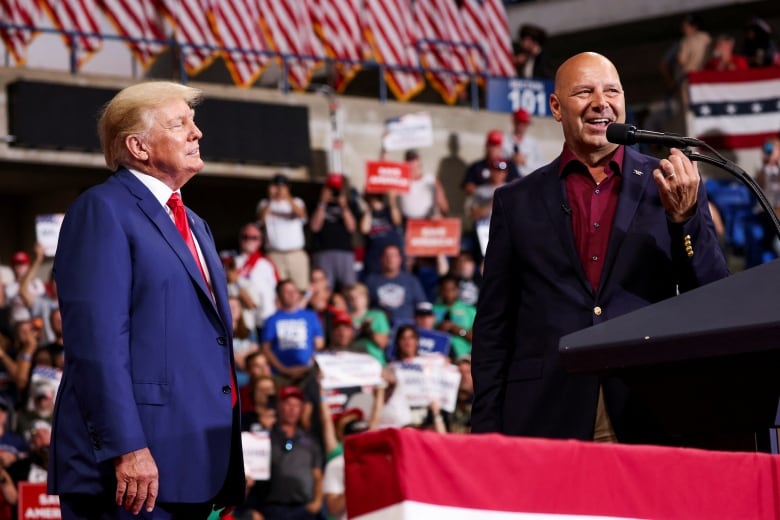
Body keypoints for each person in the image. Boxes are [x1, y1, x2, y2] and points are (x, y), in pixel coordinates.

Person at [471, 52, 729, 444]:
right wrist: (485, 435)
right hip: (545, 415)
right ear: (556, 107)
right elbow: (493, 328)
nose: (600, 102)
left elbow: (711, 296)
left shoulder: (670, 185)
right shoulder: (515, 201)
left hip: (647, 410)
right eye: (584, 91)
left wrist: (685, 219)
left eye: (612, 91)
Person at [48, 81, 245, 518]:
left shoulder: (195, 223)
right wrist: (126, 448)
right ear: (138, 146)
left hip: (195, 462)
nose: (197, 133)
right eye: (180, 124)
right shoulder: (102, 210)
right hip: (133, 469)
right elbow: (96, 344)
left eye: (193, 122)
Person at [257, 173, 310, 292]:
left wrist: (287, 197)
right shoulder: (265, 204)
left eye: (283, 186)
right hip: (275, 254)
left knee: (301, 288)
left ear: (288, 187)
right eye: (277, 186)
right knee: (278, 290)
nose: (280, 189)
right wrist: (271, 199)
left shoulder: (297, 201)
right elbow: (260, 221)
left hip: (295, 253)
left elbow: (302, 215)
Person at [310, 173, 359, 291]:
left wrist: (344, 206)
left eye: (337, 189)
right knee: (324, 288)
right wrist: (322, 203)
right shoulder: (317, 203)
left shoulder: (351, 204)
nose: (334, 192)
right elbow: (314, 227)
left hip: (344, 251)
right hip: (323, 251)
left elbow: (352, 227)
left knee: (349, 288)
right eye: (331, 189)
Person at [364, 244, 428, 326]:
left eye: (394, 256)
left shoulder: (411, 281)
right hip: (380, 327)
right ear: (381, 259)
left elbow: (422, 305)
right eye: (387, 256)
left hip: (406, 328)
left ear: (400, 259)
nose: (390, 259)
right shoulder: (371, 281)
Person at [234, 223, 278, 336]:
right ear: (239, 239)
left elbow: (276, 289)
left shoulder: (267, 263)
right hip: (243, 320)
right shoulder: (230, 262)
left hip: (264, 317)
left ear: (260, 241)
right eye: (245, 237)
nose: (249, 240)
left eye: (254, 238)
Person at [398, 150, 449, 220]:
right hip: (407, 221)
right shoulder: (401, 181)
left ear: (419, 162)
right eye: (410, 161)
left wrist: (443, 216)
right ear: (405, 163)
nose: (413, 164)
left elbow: (443, 204)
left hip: (427, 220)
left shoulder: (430, 179)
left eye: (415, 160)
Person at [501, 108, 545, 177]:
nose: (522, 126)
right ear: (514, 122)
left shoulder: (533, 143)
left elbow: (542, 165)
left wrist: (525, 162)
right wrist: (511, 160)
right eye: (520, 122)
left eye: (525, 123)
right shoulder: (504, 141)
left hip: (529, 179)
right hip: (510, 180)